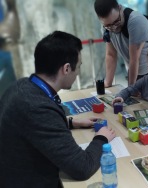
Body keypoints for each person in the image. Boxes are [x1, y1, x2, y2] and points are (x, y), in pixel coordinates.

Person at [0, 31, 116, 188]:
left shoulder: (21, 86)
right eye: (79, 66)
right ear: (67, 68)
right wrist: (101, 138)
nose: (78, 72)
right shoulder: (37, 108)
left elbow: (30, 126)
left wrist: (70, 122)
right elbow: (82, 168)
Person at [94, 0, 148, 87]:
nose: (114, 27)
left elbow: (134, 59)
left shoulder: (135, 21)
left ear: (120, 8)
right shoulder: (105, 27)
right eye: (108, 25)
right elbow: (111, 54)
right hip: (134, 72)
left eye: (116, 21)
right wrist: (107, 83)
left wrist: (130, 88)